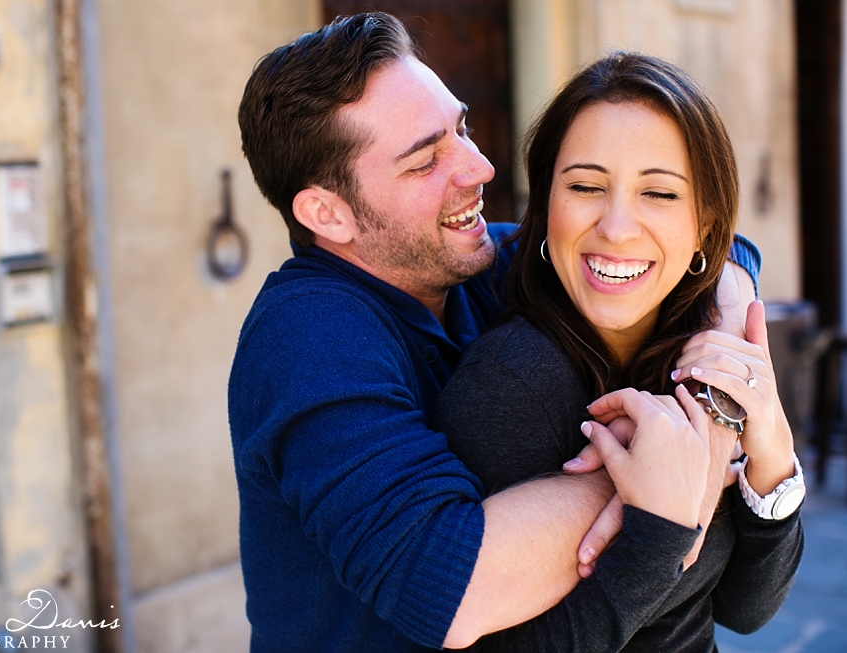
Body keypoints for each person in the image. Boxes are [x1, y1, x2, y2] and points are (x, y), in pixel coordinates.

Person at [230, 13, 760, 652]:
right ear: (328, 213)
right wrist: (657, 461)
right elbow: (450, 591)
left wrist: (711, 389)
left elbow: (716, 249)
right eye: (426, 160)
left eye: (460, 129)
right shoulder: (305, 338)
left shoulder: (474, 262)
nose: (479, 168)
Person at [432, 52, 805, 652]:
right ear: (544, 205)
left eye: (658, 193)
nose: (617, 227)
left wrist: (774, 463)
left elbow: (746, 609)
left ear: (707, 227)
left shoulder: (708, 357)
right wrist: (657, 532)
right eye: (584, 186)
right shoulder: (511, 385)